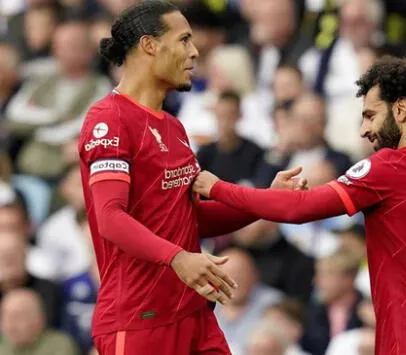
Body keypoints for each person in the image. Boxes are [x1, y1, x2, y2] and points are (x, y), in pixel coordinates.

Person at [194, 56, 406, 354]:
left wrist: (218, 188)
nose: (364, 130)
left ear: (400, 109)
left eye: (370, 115)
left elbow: (299, 209)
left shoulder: (390, 167)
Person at [77, 2, 304, 354]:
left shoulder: (173, 127)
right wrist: (178, 258)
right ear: (150, 46)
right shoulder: (108, 120)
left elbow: (190, 219)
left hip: (193, 314)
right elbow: (110, 218)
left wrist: (265, 200)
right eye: (184, 40)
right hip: (139, 322)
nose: (195, 52)